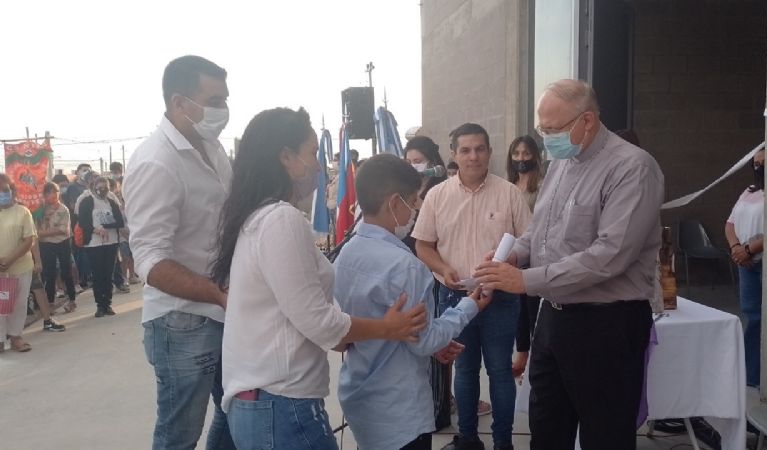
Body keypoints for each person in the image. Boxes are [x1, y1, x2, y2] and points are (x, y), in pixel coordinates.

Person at [209, 107, 427, 450]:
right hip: (282, 404)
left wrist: (347, 334)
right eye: (312, 153)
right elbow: (318, 321)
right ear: (286, 157)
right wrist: (388, 327)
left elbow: (297, 310)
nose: (318, 165)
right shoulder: (280, 220)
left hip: (265, 401)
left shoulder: (258, 218)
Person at [474, 79, 664, 450]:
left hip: (606, 323)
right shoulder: (561, 163)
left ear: (588, 121)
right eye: (541, 129)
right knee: (546, 431)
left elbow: (609, 255)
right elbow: (540, 232)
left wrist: (524, 280)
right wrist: (514, 255)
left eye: (553, 129)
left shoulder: (632, 168)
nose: (546, 138)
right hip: (554, 318)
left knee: (605, 435)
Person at [335, 154, 492, 450]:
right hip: (399, 408)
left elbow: (359, 327)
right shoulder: (407, 267)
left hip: (360, 396)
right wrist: (468, 307)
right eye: (412, 201)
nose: (416, 209)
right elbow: (423, 341)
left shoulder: (346, 254)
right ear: (395, 203)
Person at [124, 55, 235, 450]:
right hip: (181, 321)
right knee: (179, 435)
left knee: (235, 413)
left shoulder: (212, 147)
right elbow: (150, 261)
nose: (223, 110)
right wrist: (217, 293)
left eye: (225, 100)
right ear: (179, 102)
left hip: (222, 309)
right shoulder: (157, 162)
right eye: (214, 100)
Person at [413, 123, 531, 450]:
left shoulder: (509, 193)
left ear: (490, 153)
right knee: (464, 372)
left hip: (501, 296)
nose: (473, 156)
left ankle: (503, 443)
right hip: (455, 295)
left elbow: (530, 242)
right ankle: (467, 439)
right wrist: (443, 268)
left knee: (499, 371)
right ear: (454, 155)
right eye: (465, 150)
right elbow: (423, 246)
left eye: (480, 149)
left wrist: (512, 261)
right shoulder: (437, 195)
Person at [505, 135, 544, 382]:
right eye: (516, 153)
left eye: (526, 153)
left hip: (535, 257)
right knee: (518, 313)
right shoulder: (508, 185)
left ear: (535, 155)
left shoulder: (542, 185)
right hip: (512, 255)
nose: (521, 158)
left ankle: (535, 359)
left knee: (533, 313)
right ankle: (522, 356)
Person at [725, 147, 765, 388]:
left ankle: (766, 378)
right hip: (745, 262)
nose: (759, 168)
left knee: (766, 320)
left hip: (765, 261)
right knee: (752, 317)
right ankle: (751, 375)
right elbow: (729, 224)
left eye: (764, 163)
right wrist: (736, 248)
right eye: (756, 164)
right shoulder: (749, 192)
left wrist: (750, 250)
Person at [77, 176, 125, 318]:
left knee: (108, 273)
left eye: (105, 187)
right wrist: (95, 229)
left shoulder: (111, 202)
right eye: (99, 187)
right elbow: (83, 222)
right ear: (93, 186)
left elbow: (119, 221)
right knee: (97, 274)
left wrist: (104, 226)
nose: (102, 190)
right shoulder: (86, 201)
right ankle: (100, 304)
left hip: (110, 241)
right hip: (94, 243)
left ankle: (108, 303)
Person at [0, 174, 36, 353]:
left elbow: (28, 240)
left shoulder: (23, 211)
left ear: (12, 191)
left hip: (20, 266)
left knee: (19, 303)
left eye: (5, 190)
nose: (2, 194)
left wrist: (10, 259)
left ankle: (16, 337)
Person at [39, 182, 78, 314]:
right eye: (49, 192)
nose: (53, 195)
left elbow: (63, 230)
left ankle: (72, 300)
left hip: (62, 242)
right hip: (46, 244)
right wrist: (44, 233)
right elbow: (36, 228)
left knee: (66, 271)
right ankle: (50, 303)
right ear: (44, 195)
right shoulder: (41, 210)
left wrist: (43, 233)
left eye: (55, 191)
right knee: (49, 274)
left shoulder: (63, 209)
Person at [65, 164, 93, 289]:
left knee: (90, 252)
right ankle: (82, 278)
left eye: (88, 170)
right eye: (84, 170)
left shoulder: (90, 186)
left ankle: (89, 276)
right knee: (81, 253)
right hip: (79, 224)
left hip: (92, 224)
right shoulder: (73, 187)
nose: (86, 172)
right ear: (77, 172)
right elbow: (72, 205)